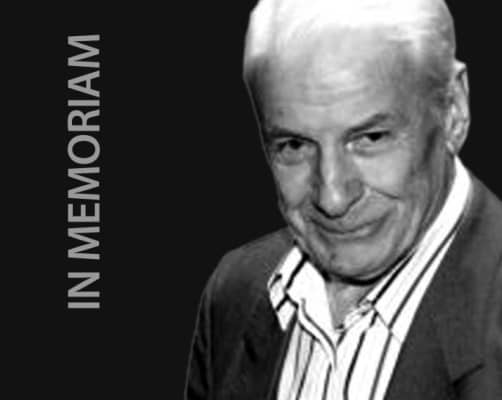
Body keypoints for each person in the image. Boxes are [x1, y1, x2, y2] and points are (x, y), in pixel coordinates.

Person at [185, 0, 502, 398]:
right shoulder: (234, 294)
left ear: (453, 110)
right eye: (294, 145)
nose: (332, 198)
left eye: (371, 138)